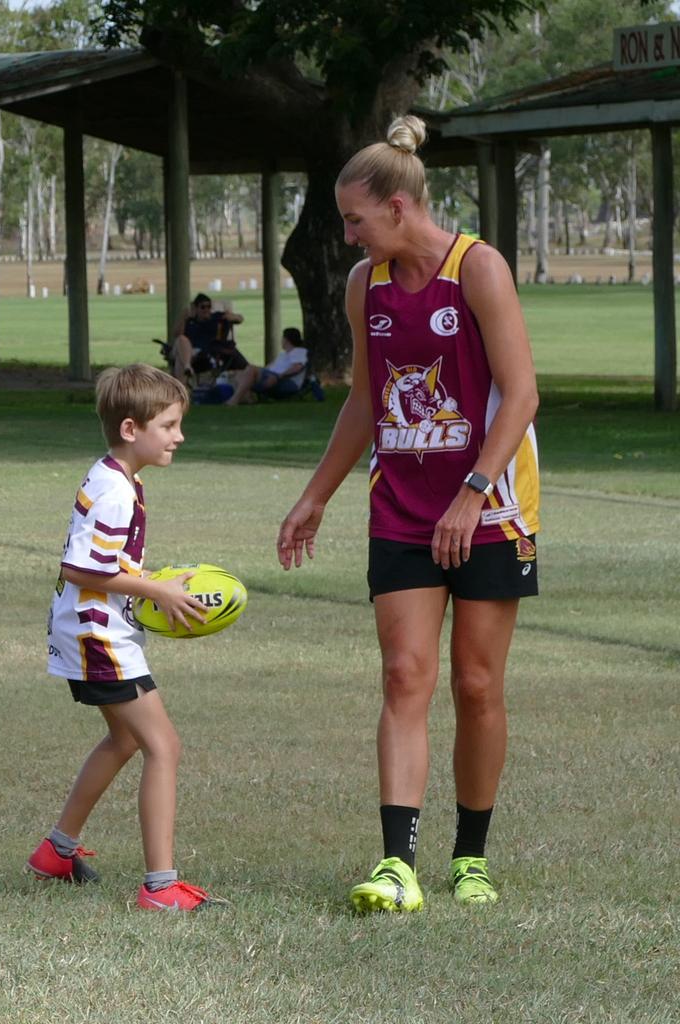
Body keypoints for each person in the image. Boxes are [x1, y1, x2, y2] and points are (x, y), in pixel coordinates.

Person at [277, 115, 540, 913]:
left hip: (491, 510)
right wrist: (316, 494)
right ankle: (397, 864)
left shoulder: (479, 269)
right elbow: (366, 399)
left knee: (477, 683)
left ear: (397, 207)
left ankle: (471, 857)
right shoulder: (368, 288)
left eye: (355, 220)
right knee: (404, 676)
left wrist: (472, 493)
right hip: (401, 509)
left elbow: (522, 394)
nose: (348, 235)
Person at [28, 363, 216, 912]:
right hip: (98, 636)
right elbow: (81, 569)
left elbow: (103, 563)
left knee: (128, 740)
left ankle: (55, 854)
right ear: (131, 429)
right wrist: (154, 590)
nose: (179, 436)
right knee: (164, 746)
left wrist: (151, 582)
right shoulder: (115, 490)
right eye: (170, 425)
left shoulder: (120, 477)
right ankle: (160, 887)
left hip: (94, 630)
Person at [172, 292, 247, 384]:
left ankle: (181, 388)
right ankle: (187, 367)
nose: (206, 309)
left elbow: (240, 319)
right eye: (203, 307)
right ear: (195, 308)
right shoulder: (189, 321)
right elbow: (177, 334)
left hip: (206, 355)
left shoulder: (216, 317)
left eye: (209, 306)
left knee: (180, 360)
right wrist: (183, 317)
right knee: (181, 340)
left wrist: (233, 316)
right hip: (190, 352)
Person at [225, 327, 309, 405]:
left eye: (282, 338)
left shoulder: (298, 352)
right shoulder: (283, 354)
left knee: (251, 369)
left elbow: (297, 367)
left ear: (286, 340)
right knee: (239, 373)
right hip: (272, 376)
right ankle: (248, 398)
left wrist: (279, 376)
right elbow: (267, 368)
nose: (281, 341)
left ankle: (234, 400)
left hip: (285, 381)